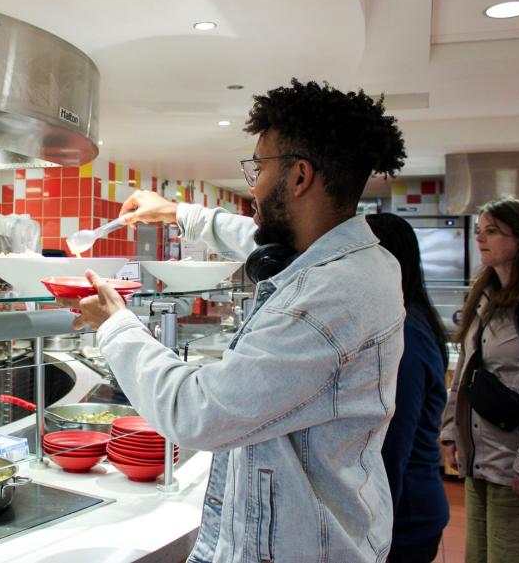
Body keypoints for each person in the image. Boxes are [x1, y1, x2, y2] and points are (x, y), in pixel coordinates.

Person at [63, 79, 408, 563]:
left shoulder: (322, 298)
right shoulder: (357, 260)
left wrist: (114, 325)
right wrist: (179, 214)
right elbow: (259, 238)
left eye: (258, 168)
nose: (253, 187)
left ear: (299, 177)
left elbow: (197, 413)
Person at [440, 196, 519, 563]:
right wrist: (451, 429)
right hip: (483, 463)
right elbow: (467, 368)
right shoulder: (487, 293)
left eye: (492, 231)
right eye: (479, 231)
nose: (480, 239)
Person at [365, 213, 450, 563]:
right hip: (407, 510)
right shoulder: (402, 319)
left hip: (406, 517)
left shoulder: (406, 335)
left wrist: (375, 529)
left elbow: (394, 443)